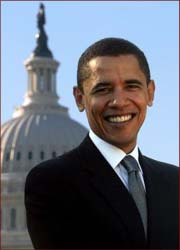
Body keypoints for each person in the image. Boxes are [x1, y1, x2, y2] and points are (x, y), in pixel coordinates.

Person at [25, 38, 178, 249]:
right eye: (103, 89)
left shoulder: (174, 182)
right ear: (80, 98)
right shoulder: (51, 181)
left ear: (150, 92)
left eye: (131, 86)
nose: (120, 102)